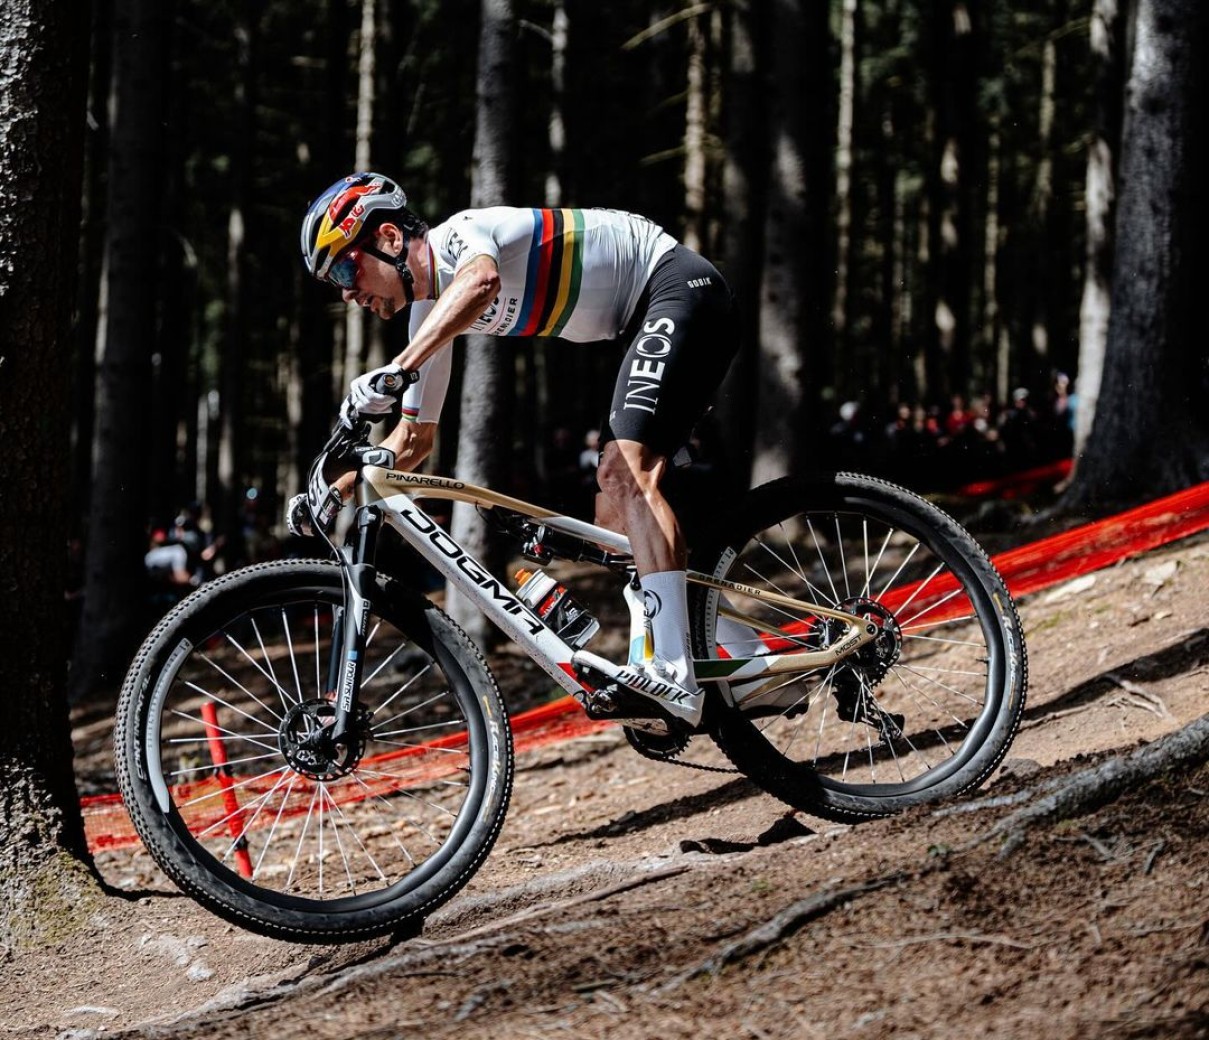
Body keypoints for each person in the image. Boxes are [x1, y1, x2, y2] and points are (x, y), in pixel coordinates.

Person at [298, 172, 738, 727]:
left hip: (675, 287)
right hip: (642, 319)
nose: (345, 292)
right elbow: (412, 442)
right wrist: (336, 489)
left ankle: (674, 672)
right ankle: (742, 663)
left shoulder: (462, 237)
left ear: (388, 238)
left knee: (628, 477)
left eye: (343, 267)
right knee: (615, 517)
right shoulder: (429, 317)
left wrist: (397, 370)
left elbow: (480, 281)